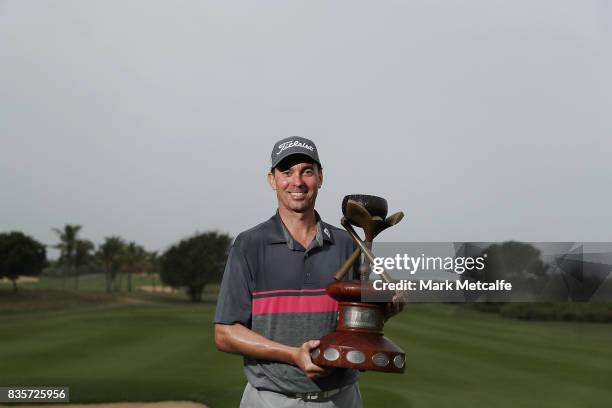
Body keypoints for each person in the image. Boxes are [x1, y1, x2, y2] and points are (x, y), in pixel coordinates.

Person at [215, 136, 391, 407]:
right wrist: (292, 354)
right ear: (272, 180)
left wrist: (385, 310)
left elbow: (359, 327)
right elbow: (225, 333)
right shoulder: (249, 244)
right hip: (270, 400)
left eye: (307, 171)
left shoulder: (348, 244)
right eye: (287, 172)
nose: (297, 181)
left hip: (341, 399)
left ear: (320, 178)